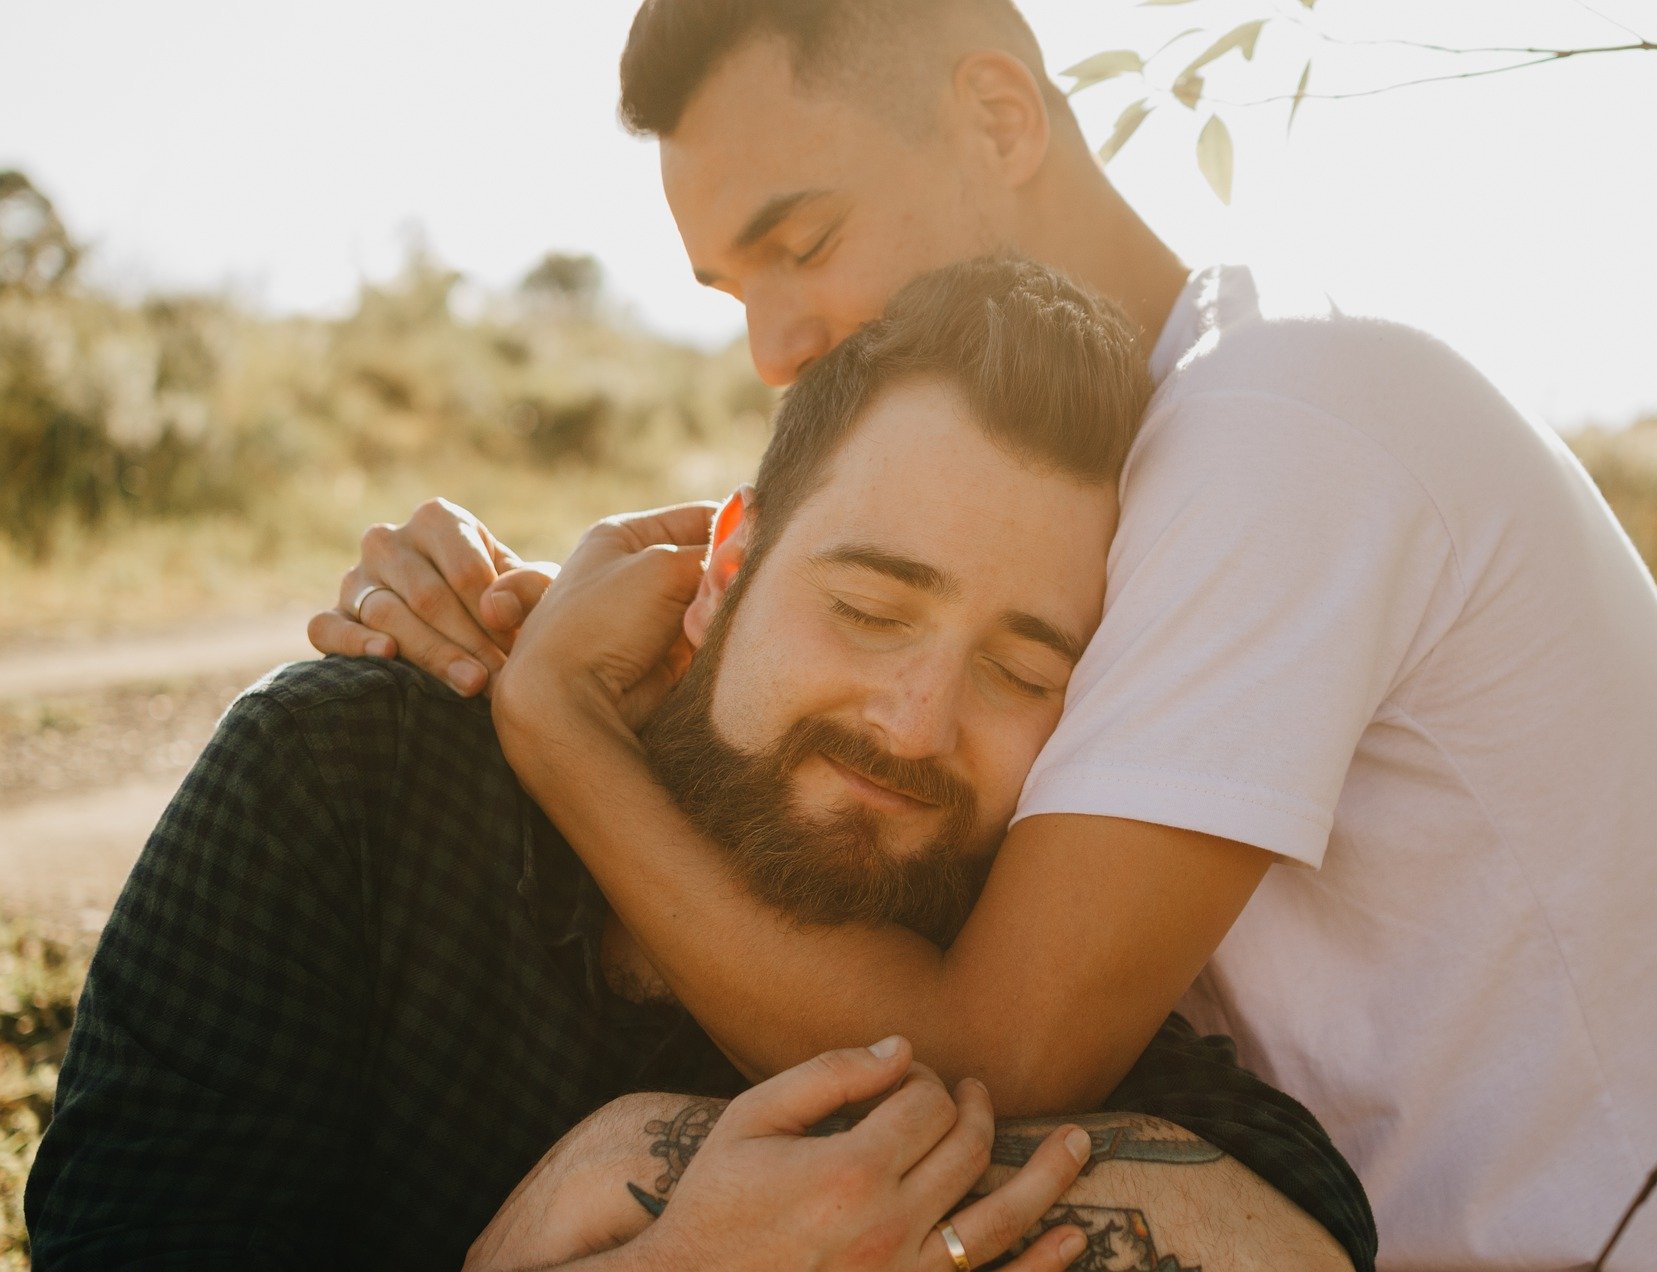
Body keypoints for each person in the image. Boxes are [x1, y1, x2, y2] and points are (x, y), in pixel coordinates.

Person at [312, 1, 1657, 1266]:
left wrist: (563, 737)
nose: (775, 346)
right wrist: (491, 608)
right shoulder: (1138, 478)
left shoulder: (1283, 427)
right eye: (733, 288)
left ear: (1001, 115)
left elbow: (996, 1051)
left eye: (802, 241)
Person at [28, 261, 1372, 1271]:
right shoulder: (349, 784)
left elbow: (1299, 1224)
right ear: (725, 568)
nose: (913, 724)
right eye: (869, 607)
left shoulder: (993, 947)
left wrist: (617, 1170)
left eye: (1024, 672)